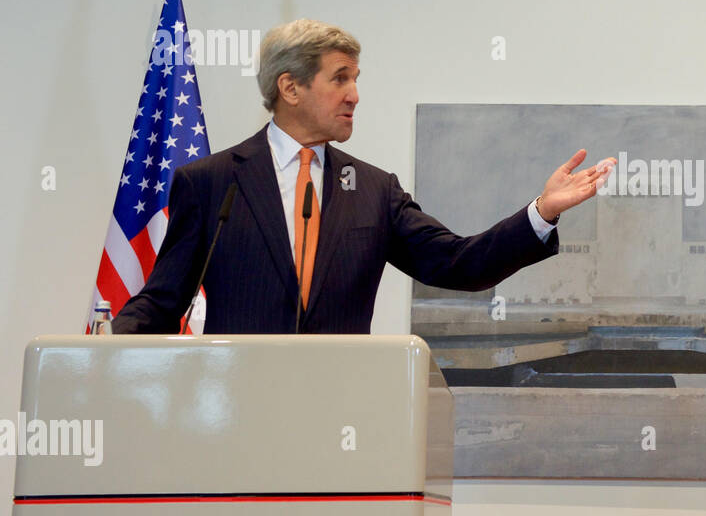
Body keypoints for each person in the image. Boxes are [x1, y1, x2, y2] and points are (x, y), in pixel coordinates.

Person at [112, 19, 612, 334]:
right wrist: (103, 345)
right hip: (235, 416)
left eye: (356, 79)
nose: (354, 95)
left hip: (341, 427)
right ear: (290, 87)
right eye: (340, 79)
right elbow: (164, 299)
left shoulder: (374, 192)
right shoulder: (211, 182)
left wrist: (542, 213)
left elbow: (461, 264)